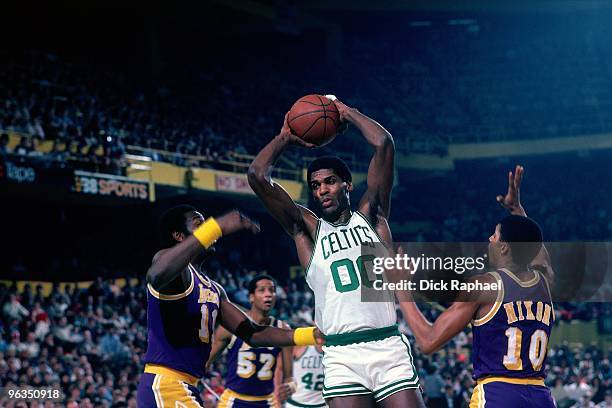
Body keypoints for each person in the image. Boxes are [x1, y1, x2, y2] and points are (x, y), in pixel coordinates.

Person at [249, 96, 424, 408]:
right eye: (315, 186)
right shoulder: (308, 231)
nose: (322, 190)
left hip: (386, 345)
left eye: (330, 182)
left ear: (347, 186)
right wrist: (285, 137)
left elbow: (383, 143)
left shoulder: (373, 216)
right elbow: (258, 176)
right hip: (340, 354)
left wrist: (345, 112)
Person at [395, 165, 556, 407]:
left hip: (497, 393)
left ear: (504, 247)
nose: (490, 239)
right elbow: (537, 250)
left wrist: (401, 287)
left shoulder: (485, 285)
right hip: (541, 396)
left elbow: (428, 341)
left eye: (495, 235)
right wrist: (516, 210)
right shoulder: (545, 282)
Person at [136, 205, 323, 408]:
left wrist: (311, 335)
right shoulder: (170, 265)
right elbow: (156, 276)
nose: (207, 226)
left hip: (187, 386)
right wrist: (218, 226)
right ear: (180, 236)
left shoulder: (215, 289)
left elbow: (253, 334)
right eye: (200, 224)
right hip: (166, 383)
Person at [208, 274, 295, 407]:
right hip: (233, 400)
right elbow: (206, 361)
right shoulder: (230, 325)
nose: (268, 294)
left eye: (272, 290)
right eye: (262, 290)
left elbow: (290, 378)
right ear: (251, 297)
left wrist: (290, 386)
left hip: (267, 401)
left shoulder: (283, 329)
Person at [287, 344, 326, 408]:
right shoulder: (300, 346)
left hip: (322, 404)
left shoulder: (334, 351)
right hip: (296, 403)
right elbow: (280, 368)